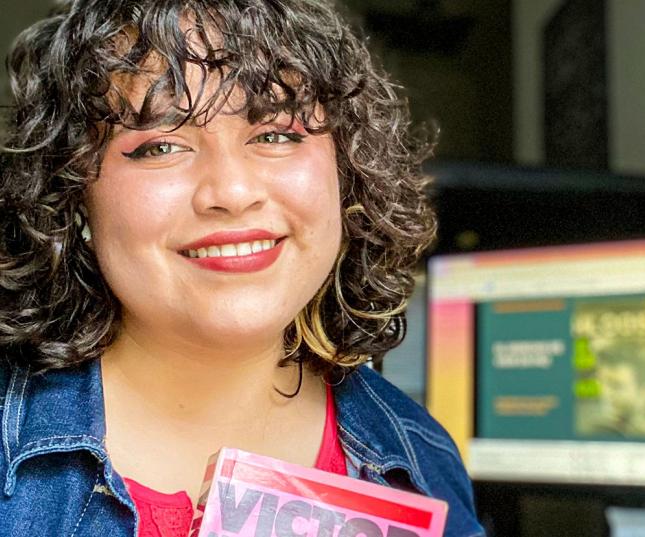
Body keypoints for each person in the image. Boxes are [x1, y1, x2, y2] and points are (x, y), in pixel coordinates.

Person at [0, 1, 484, 536]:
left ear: (347, 170)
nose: (231, 192)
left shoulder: (422, 457)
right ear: (72, 194)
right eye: (161, 145)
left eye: (276, 135)